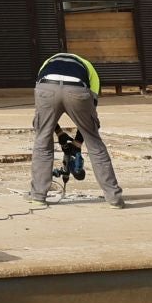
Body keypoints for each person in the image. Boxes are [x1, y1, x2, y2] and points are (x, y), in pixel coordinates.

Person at [27, 50, 126, 209]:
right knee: (95, 144)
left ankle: (38, 196)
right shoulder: (89, 69)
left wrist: (59, 133)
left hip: (47, 86)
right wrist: (78, 141)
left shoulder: (47, 64)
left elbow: (44, 117)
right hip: (77, 89)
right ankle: (114, 199)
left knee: (42, 141)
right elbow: (90, 117)